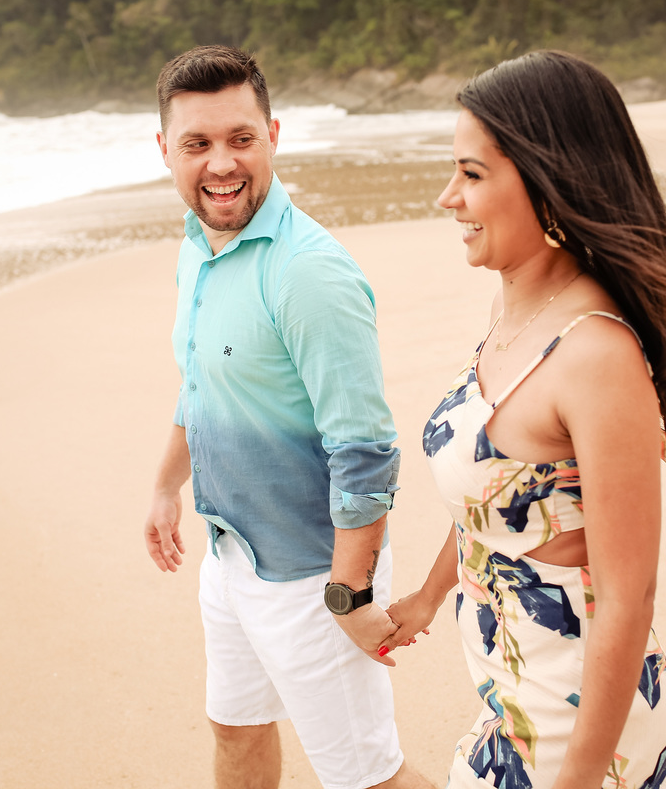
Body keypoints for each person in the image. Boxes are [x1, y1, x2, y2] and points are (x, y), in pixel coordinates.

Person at [377, 50, 666, 789]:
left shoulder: (594, 354)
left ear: (546, 175)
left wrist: (581, 781)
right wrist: (430, 597)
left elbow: (629, 597)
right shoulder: (515, 309)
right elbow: (499, 492)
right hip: (513, 701)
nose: (446, 198)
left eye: (471, 174)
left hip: (580, 726)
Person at [143, 45, 432, 789]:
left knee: (369, 779)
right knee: (235, 732)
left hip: (314, 575)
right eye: (197, 144)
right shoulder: (197, 248)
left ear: (273, 135)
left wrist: (350, 594)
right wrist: (165, 486)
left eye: (240, 139)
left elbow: (366, 452)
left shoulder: (308, 273)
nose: (220, 165)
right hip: (232, 553)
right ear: (164, 149)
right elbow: (203, 383)